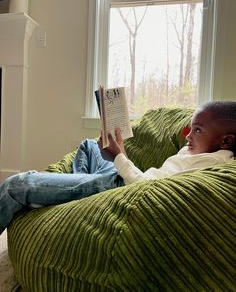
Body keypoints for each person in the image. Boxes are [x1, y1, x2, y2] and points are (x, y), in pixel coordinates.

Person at [0, 100, 236, 234]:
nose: (188, 136)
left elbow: (151, 192)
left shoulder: (210, 164)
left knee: (16, 185)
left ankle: (66, 198)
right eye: (190, 128)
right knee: (89, 147)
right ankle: (70, 201)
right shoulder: (205, 152)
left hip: (120, 188)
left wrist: (120, 156)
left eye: (197, 130)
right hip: (123, 179)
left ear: (225, 141)